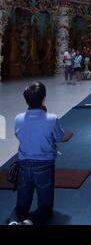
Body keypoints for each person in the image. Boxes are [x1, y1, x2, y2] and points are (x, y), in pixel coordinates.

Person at [8, 82, 64, 225]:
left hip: (24, 164)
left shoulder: (18, 118)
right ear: (44, 98)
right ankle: (30, 221)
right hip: (45, 164)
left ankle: (14, 221)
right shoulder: (52, 118)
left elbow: (18, 135)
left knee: (22, 204)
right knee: (45, 205)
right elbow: (59, 137)